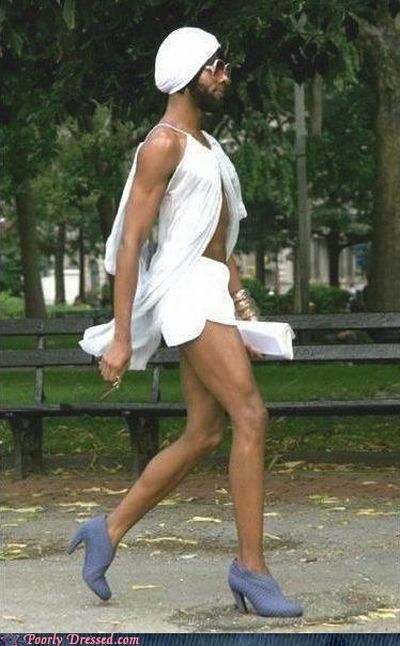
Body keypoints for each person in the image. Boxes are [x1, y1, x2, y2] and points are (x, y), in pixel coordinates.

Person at [67, 26, 302, 618]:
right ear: (187, 74)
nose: (225, 74)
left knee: (205, 433)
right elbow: (131, 243)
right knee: (251, 415)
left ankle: (106, 530)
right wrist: (122, 336)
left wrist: (245, 314)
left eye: (225, 64)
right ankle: (251, 569)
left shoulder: (208, 147)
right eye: (215, 65)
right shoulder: (163, 144)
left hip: (210, 288)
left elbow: (217, 245)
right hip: (184, 294)